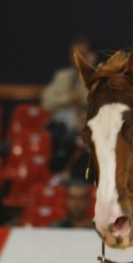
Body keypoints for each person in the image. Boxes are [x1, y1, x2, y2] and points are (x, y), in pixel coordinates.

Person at [41, 35, 96, 173]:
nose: (77, 57)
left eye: (82, 54)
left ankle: (67, 175)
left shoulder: (96, 77)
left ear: (90, 55)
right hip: (59, 126)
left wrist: (88, 71)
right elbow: (46, 102)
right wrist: (66, 99)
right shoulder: (62, 76)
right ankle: (56, 174)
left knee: (72, 141)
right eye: (74, 54)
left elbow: (92, 100)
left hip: (82, 128)